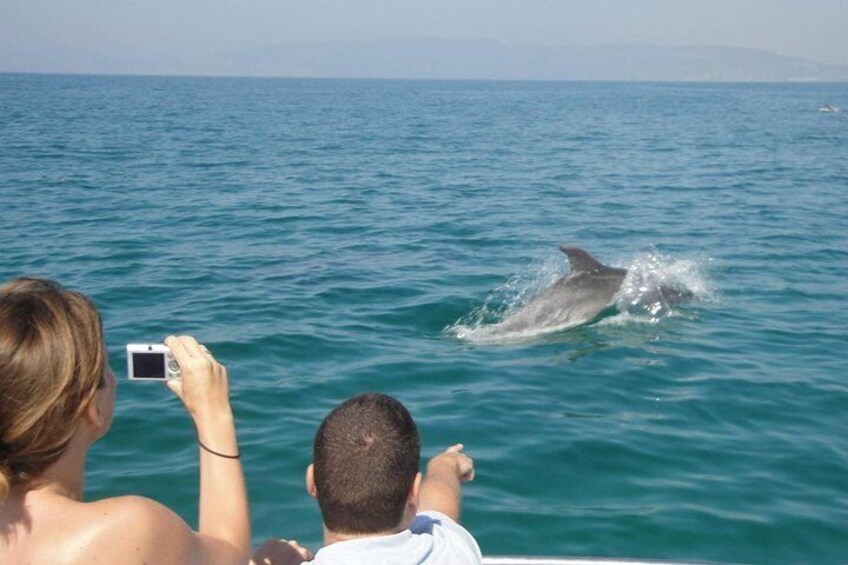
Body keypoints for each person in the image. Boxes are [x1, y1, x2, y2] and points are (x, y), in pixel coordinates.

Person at [0, 277, 251, 564]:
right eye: (106, 367)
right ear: (90, 406)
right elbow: (231, 558)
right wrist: (212, 411)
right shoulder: (129, 530)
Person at [253, 392, 482, 564]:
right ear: (415, 491)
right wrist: (445, 464)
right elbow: (441, 505)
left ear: (312, 482)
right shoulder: (452, 551)